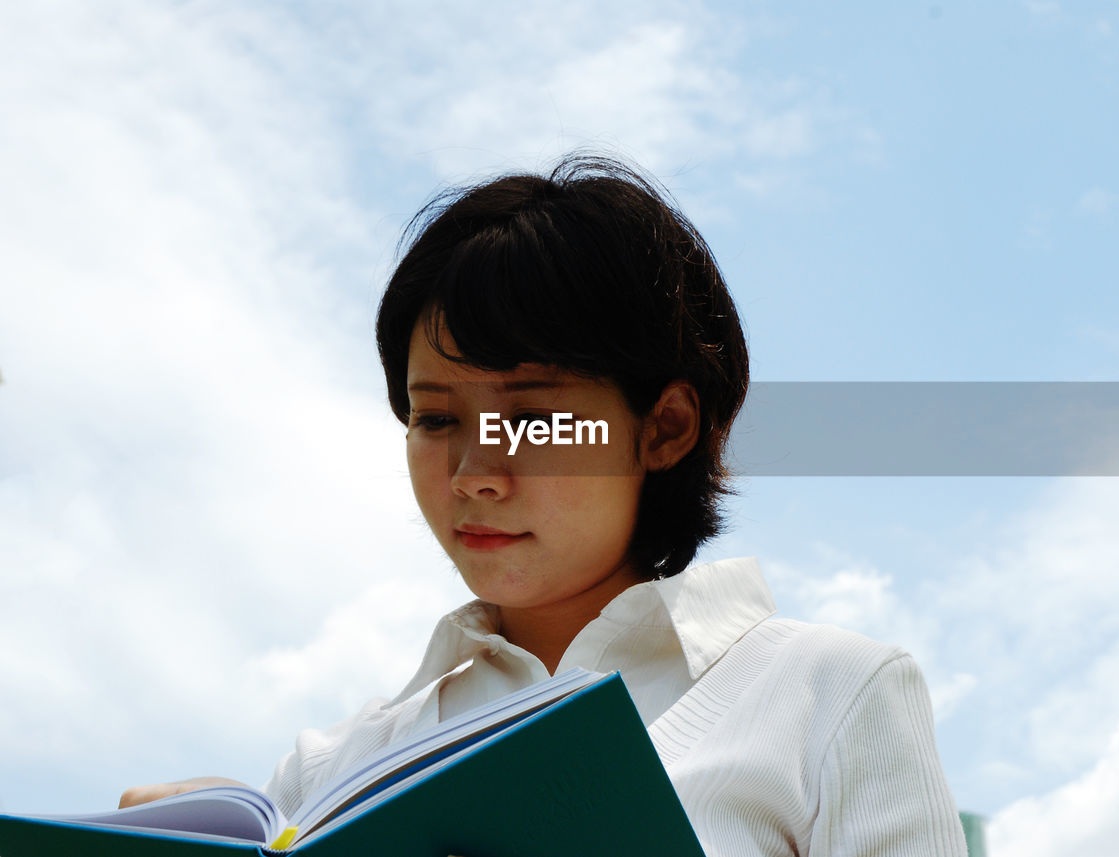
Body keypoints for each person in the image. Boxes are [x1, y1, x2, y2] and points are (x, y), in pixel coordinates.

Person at [121, 155, 967, 856]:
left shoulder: (830, 695)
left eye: (532, 418)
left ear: (665, 427)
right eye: (437, 417)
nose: (474, 472)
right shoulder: (330, 771)